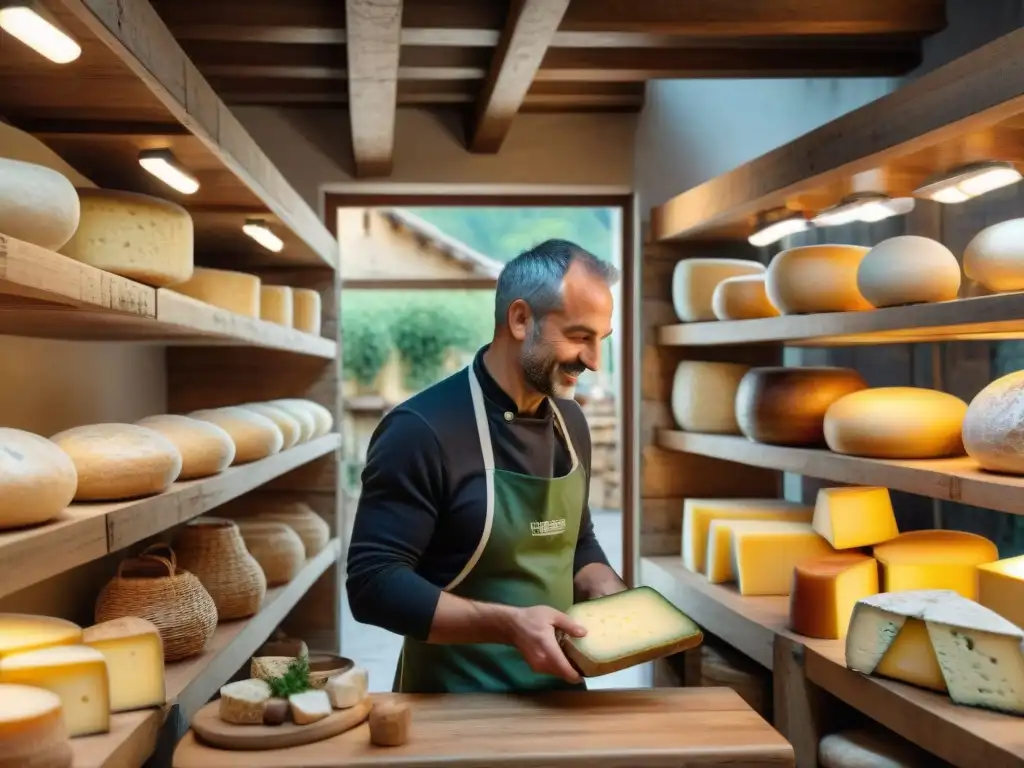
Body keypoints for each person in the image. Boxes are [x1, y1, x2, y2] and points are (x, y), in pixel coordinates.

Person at [346, 238, 627, 694]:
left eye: (601, 341)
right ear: (520, 319)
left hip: (561, 704)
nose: (594, 361)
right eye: (579, 337)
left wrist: (606, 587)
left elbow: (577, 540)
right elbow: (373, 583)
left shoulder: (570, 422)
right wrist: (509, 625)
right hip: (449, 707)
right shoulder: (421, 429)